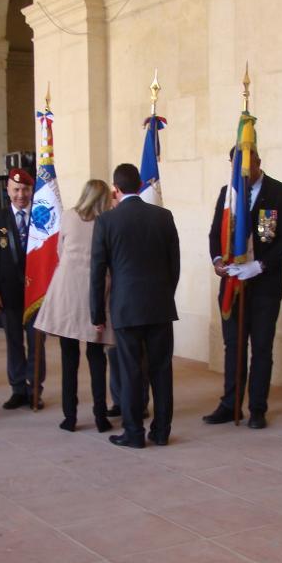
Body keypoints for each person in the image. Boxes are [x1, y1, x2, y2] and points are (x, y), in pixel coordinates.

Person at [204, 144, 282, 429]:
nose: (242, 172)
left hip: (265, 285)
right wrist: (218, 260)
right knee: (233, 346)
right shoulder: (228, 193)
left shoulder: (281, 193)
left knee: (261, 348)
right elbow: (214, 234)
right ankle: (230, 403)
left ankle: (257, 407)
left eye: (246, 164)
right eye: (236, 166)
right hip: (233, 284)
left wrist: (259, 266)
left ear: (258, 160)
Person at [90, 163, 180, 448]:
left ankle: (133, 433)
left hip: (126, 307)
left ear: (115, 189)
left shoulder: (106, 221)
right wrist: (166, 293)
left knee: (130, 371)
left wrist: (96, 312)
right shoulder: (163, 216)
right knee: (161, 370)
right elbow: (174, 264)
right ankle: (162, 431)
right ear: (141, 184)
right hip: (160, 305)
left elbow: (98, 270)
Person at [36, 179, 115, 433]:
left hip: (67, 291)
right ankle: (100, 416)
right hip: (95, 292)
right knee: (96, 358)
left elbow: (60, 250)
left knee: (68, 358)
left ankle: (69, 417)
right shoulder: (108, 221)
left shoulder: (69, 216)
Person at [0, 168, 45, 409]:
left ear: (33, 191)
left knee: (36, 342)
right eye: (17, 189)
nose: (21, 194)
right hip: (8, 293)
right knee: (13, 341)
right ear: (8, 190)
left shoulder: (42, 216)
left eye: (26, 189)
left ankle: (35, 390)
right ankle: (18, 388)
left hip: (36, 293)